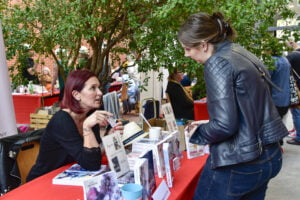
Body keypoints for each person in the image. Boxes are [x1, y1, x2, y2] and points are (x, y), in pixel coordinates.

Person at [178, 12, 288, 200]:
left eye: (188, 49)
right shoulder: (239, 52)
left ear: (204, 45)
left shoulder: (217, 62)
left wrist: (196, 133)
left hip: (241, 163)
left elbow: (224, 125)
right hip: (270, 154)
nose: (186, 54)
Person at [26, 70, 124, 182]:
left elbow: (92, 157)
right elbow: (92, 165)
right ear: (76, 95)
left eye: (98, 87)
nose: (100, 93)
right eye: (93, 88)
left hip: (68, 177)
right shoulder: (62, 121)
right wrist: (87, 128)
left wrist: (108, 137)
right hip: (43, 181)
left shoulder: (91, 114)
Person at [286, 40, 300, 145]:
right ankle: (295, 130)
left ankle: (299, 136)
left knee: (296, 112)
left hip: (296, 87)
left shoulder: (291, 56)